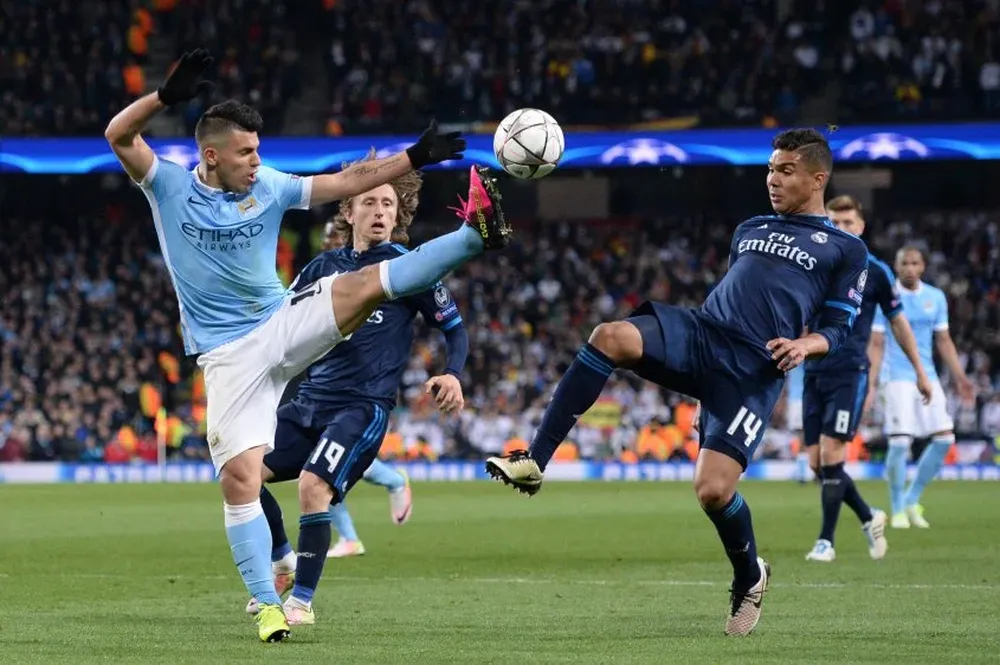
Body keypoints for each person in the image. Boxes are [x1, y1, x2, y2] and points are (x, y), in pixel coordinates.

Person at [104, 49, 510, 642]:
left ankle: (473, 236)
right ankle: (269, 602)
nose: (257, 161)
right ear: (210, 155)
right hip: (226, 357)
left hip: (279, 323)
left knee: (365, 284)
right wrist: (165, 99)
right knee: (241, 480)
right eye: (246, 152)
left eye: (259, 150)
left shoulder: (268, 186)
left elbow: (345, 183)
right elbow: (118, 133)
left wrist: (413, 158)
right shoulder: (166, 187)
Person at [486, 128, 869, 636]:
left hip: (753, 369)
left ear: (818, 178)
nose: (773, 180)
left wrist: (805, 345)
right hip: (703, 332)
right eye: (771, 170)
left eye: (786, 171)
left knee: (712, 492)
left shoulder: (846, 249)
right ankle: (534, 460)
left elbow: (840, 328)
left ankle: (750, 574)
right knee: (610, 336)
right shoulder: (750, 227)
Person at [246, 154, 477, 624]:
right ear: (347, 212)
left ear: (398, 214)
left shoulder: (408, 268)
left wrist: (453, 371)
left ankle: (301, 602)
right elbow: (282, 328)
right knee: (241, 477)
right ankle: (283, 560)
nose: (379, 211)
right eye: (369, 201)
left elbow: (454, 328)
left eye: (388, 204)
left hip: (361, 407)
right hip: (309, 401)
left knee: (314, 487)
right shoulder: (321, 268)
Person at [802, 195, 931, 563]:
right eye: (834, 222)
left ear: (861, 227)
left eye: (848, 223)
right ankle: (869, 515)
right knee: (817, 464)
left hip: (850, 372)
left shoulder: (875, 271)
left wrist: (921, 371)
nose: (841, 229)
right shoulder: (812, 264)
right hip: (813, 371)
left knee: (831, 455)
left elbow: (899, 323)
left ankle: (825, 541)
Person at [871, 246, 975, 529]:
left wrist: (961, 378)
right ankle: (897, 508)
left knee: (944, 438)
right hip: (896, 377)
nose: (909, 268)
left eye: (914, 263)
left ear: (923, 266)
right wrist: (870, 384)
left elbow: (944, 341)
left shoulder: (935, 297)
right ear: (896, 265)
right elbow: (877, 344)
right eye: (904, 263)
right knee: (901, 441)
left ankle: (911, 498)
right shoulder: (886, 295)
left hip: (926, 376)